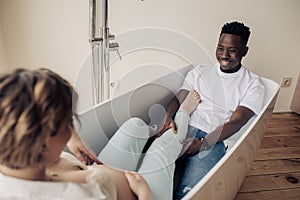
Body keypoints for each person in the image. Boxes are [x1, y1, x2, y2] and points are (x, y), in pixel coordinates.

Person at [0, 68, 200, 200]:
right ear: (42, 144)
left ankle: (161, 131)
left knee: (135, 125)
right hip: (144, 193)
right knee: (163, 148)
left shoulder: (14, 155)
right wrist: (145, 195)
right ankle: (183, 113)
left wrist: (70, 138)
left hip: (103, 174)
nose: (73, 129)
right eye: (68, 124)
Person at [155, 21, 265, 199]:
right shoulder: (200, 71)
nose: (224, 55)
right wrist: (168, 118)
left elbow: (236, 122)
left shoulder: (253, 84)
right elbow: (179, 98)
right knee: (153, 172)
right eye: (220, 48)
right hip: (184, 128)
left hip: (214, 140)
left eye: (232, 50)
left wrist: (204, 142)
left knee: (188, 192)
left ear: (245, 51)